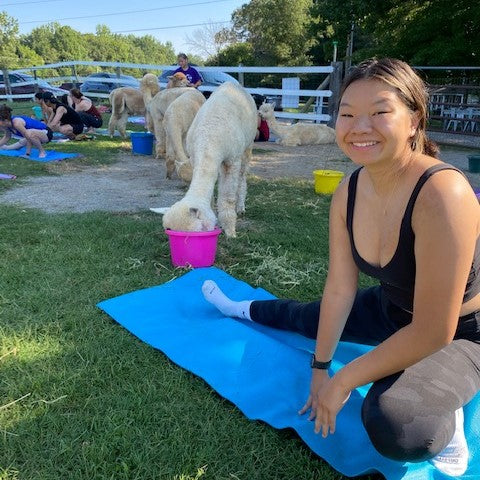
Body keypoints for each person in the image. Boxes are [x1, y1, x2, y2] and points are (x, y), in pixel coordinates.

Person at [202, 58, 480, 477]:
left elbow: (433, 330)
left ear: (413, 120)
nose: (359, 126)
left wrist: (343, 378)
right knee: (304, 317)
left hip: (463, 331)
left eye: (380, 112)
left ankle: (446, 409)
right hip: (394, 310)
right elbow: (339, 289)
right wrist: (320, 367)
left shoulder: (443, 192)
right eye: (347, 114)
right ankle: (242, 308)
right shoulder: (348, 191)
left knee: (399, 425)